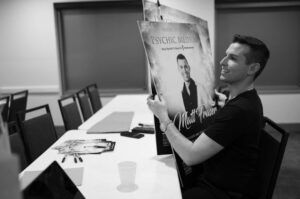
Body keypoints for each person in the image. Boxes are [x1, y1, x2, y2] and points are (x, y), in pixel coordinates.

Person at [147, 34, 270, 199]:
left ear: (252, 68)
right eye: (226, 55)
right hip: (216, 177)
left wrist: (163, 118)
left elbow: (191, 156)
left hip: (220, 191)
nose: (222, 61)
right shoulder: (244, 100)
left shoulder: (239, 110)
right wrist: (221, 107)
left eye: (232, 58)